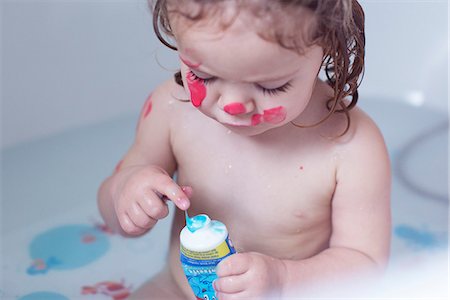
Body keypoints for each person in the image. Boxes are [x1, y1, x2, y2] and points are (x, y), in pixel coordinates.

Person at [97, 0, 392, 298]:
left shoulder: (351, 145)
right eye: (204, 76)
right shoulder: (170, 108)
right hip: (177, 289)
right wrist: (126, 194)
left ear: (329, 42)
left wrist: (284, 279)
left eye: (271, 86)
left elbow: (366, 263)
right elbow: (111, 212)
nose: (232, 106)